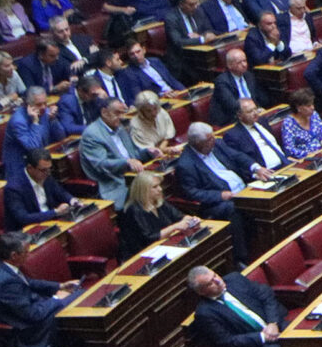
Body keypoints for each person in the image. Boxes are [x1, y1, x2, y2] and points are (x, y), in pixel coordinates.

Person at [188, 266, 306, 347]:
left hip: (276, 326)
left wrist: (272, 323)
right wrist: (263, 337)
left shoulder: (235, 279)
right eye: (210, 283)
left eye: (215, 276)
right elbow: (226, 340)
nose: (217, 281)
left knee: (305, 339)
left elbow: (266, 295)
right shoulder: (205, 313)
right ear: (201, 292)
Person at [177, 123, 269, 266]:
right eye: (209, 139)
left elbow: (237, 156)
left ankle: (267, 244)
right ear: (197, 143)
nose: (213, 140)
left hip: (242, 189)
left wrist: (256, 168)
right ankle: (242, 258)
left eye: (212, 137)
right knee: (231, 209)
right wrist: (219, 195)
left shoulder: (218, 144)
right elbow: (192, 193)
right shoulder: (186, 164)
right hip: (216, 203)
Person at [0, 231, 81, 347]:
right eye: (26, 252)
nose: (28, 255)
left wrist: (60, 286)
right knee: (77, 298)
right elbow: (33, 314)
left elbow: (29, 283)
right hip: (31, 332)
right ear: (14, 255)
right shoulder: (5, 282)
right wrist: (57, 298)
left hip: (35, 310)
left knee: (77, 295)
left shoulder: (4, 267)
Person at [81, 98, 158, 210]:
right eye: (117, 113)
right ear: (104, 112)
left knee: (159, 186)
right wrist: (126, 162)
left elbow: (132, 156)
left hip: (133, 177)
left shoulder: (119, 127)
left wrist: (148, 152)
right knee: (151, 192)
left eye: (123, 113)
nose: (122, 117)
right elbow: (101, 164)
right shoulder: (92, 135)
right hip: (115, 183)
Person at [119, 171, 198, 260]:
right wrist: (175, 227)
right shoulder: (133, 210)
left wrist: (192, 220)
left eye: (159, 185)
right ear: (143, 190)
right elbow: (150, 238)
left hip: (165, 245)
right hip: (142, 254)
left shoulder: (159, 202)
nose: (160, 189)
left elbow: (179, 216)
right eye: (155, 187)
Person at [4, 148, 80, 231]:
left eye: (50, 168)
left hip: (51, 223)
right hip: (28, 230)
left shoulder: (45, 175)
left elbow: (60, 192)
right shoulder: (13, 188)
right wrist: (55, 212)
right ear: (30, 168)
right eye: (44, 170)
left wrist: (72, 200)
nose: (48, 173)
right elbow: (23, 218)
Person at [2, 87, 65, 177]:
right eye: (39, 104)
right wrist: (35, 122)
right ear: (26, 105)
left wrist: (53, 119)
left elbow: (61, 137)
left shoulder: (45, 112)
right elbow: (33, 148)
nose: (43, 107)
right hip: (20, 168)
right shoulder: (18, 121)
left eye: (45, 103)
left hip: (42, 163)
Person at [163, 0, 216, 82]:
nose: (195, 7)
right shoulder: (171, 18)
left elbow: (208, 29)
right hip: (182, 60)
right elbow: (177, 42)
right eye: (191, 5)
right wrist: (201, 39)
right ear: (181, 4)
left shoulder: (198, 11)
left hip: (201, 55)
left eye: (196, 3)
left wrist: (202, 35)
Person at [224, 98, 291, 171]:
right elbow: (240, 161)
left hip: (286, 163)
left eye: (255, 109)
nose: (255, 113)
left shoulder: (262, 121)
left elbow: (275, 144)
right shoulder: (233, 135)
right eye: (250, 111)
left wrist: (288, 157)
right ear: (239, 115)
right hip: (268, 171)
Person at [212, 49, 267, 128]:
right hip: (231, 120)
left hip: (251, 115)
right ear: (229, 65)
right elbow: (232, 106)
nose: (244, 65)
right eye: (239, 62)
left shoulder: (249, 76)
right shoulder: (222, 81)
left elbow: (258, 97)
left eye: (244, 61)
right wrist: (252, 111)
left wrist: (257, 109)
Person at [281, 88, 322, 157]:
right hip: (307, 157)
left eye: (312, 104)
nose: (313, 108)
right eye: (308, 106)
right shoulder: (288, 123)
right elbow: (290, 149)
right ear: (298, 108)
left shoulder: (314, 114)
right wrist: (308, 154)